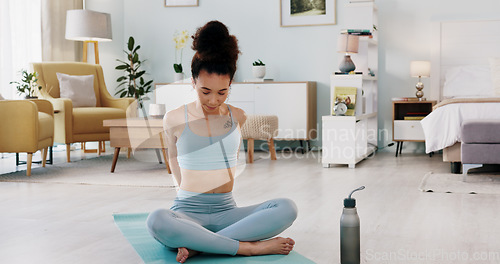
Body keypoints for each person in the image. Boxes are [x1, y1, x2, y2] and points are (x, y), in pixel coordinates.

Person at [146, 21, 298, 263]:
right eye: (205, 91)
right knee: (156, 220)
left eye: (222, 92)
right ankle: (248, 248)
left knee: (287, 207)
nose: (213, 100)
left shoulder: (237, 116)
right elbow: (173, 159)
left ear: (230, 85)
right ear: (193, 81)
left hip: (227, 211)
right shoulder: (174, 118)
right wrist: (184, 191)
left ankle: (198, 246)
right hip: (187, 212)